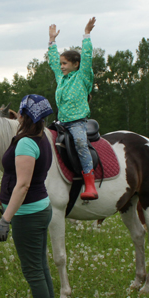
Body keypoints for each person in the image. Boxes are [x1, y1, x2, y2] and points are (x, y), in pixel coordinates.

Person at [0, 94, 55, 298]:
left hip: (28, 214)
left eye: (19, 111)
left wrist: (5, 219)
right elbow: (17, 180)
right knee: (41, 266)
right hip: (38, 209)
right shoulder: (41, 138)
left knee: (33, 271)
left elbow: (23, 185)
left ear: (23, 115)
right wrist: (3, 195)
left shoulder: (27, 143)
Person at [48, 17, 98, 200]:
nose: (61, 67)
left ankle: (90, 183)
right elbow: (53, 61)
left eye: (65, 64)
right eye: (61, 64)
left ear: (75, 65)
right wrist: (52, 41)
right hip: (61, 122)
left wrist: (86, 34)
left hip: (77, 123)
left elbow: (86, 57)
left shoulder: (83, 76)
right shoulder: (61, 78)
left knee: (80, 143)